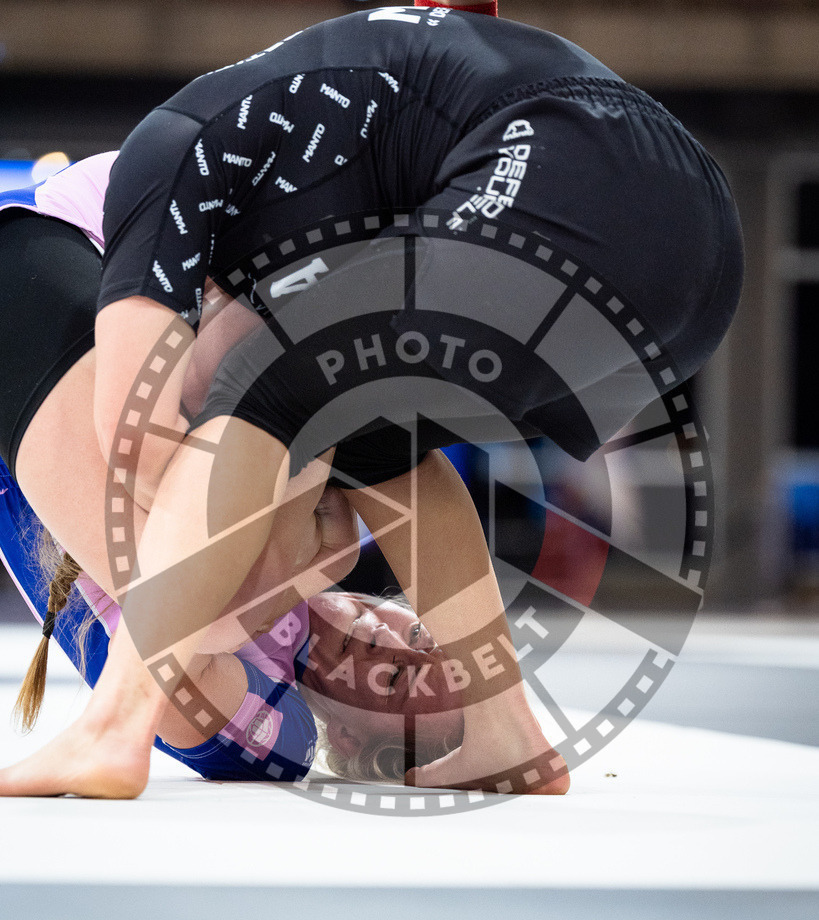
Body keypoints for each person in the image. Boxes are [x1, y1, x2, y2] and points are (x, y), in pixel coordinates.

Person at [0, 6, 742, 798]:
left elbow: (155, 451)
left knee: (265, 390)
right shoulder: (212, 168)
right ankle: (504, 735)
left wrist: (262, 547)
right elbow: (149, 446)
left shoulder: (201, 165)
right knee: (371, 436)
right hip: (694, 274)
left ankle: (113, 727)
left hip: (580, 176)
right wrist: (280, 547)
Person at [0, 155, 460, 787]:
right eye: (422, 635)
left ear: (349, 737)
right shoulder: (331, 542)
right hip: (123, 251)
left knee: (210, 612)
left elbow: (189, 659)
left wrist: (317, 561)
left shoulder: (280, 739)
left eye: (397, 677)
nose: (390, 639)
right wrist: (322, 557)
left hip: (68, 289)